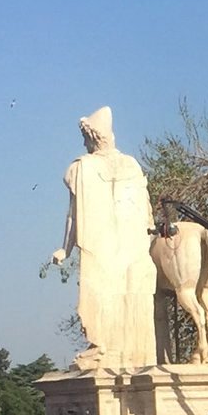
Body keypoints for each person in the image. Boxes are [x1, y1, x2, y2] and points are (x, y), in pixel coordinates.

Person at [51, 106, 156, 370]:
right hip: (121, 249)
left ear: (91, 138)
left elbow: (72, 215)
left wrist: (65, 248)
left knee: (105, 294)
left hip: (113, 250)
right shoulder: (129, 164)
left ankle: (114, 350)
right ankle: (110, 349)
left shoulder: (82, 167)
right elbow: (148, 215)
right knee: (113, 295)